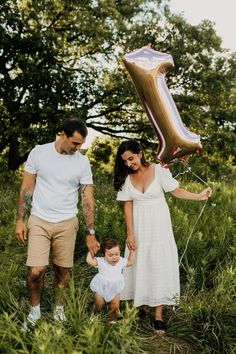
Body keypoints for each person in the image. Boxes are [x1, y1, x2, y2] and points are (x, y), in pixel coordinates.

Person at [114, 139, 212, 333]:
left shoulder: (159, 170)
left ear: (140, 153)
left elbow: (175, 191)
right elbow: (127, 205)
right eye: (125, 161)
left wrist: (198, 196)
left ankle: (158, 315)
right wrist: (130, 234)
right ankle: (142, 304)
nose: (129, 164)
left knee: (157, 263)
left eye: (131, 158)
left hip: (158, 225)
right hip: (139, 226)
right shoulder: (126, 177)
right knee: (139, 261)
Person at [15, 117, 100, 330]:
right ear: (62, 134)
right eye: (75, 143)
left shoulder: (82, 161)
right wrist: (20, 220)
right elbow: (27, 188)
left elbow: (87, 197)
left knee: (62, 271)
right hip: (39, 219)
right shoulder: (39, 153)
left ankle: (58, 309)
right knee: (36, 270)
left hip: (67, 222)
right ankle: (34, 312)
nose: (78, 148)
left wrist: (90, 231)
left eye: (81, 144)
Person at [86, 238, 135, 323]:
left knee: (115, 306)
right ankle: (94, 316)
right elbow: (89, 260)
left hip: (115, 290)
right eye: (111, 255)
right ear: (103, 255)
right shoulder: (101, 261)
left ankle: (111, 320)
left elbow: (130, 262)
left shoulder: (121, 262)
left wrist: (132, 251)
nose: (114, 257)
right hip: (101, 288)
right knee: (99, 304)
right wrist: (92, 251)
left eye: (117, 254)